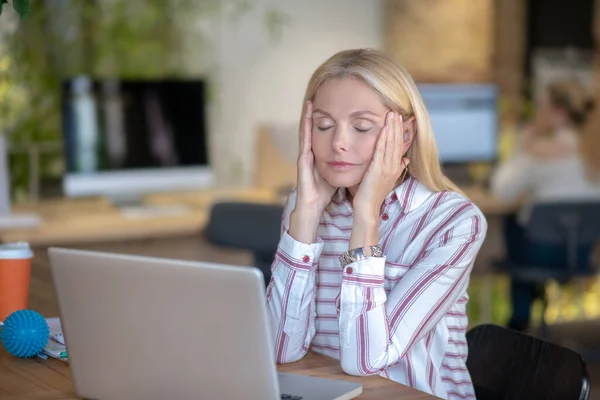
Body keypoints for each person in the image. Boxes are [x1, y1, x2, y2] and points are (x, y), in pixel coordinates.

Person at [266, 49, 487, 400]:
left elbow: (366, 360)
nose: (338, 142)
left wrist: (365, 216)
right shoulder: (303, 207)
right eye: (323, 125)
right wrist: (306, 214)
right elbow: (279, 349)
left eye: (361, 126)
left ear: (405, 134)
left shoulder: (454, 222)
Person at [491, 80, 600, 332]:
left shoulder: (541, 153)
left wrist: (522, 144)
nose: (538, 113)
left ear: (558, 113)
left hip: (536, 253)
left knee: (514, 224)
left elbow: (501, 189)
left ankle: (520, 319)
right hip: (583, 254)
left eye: (542, 106)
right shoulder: (593, 154)